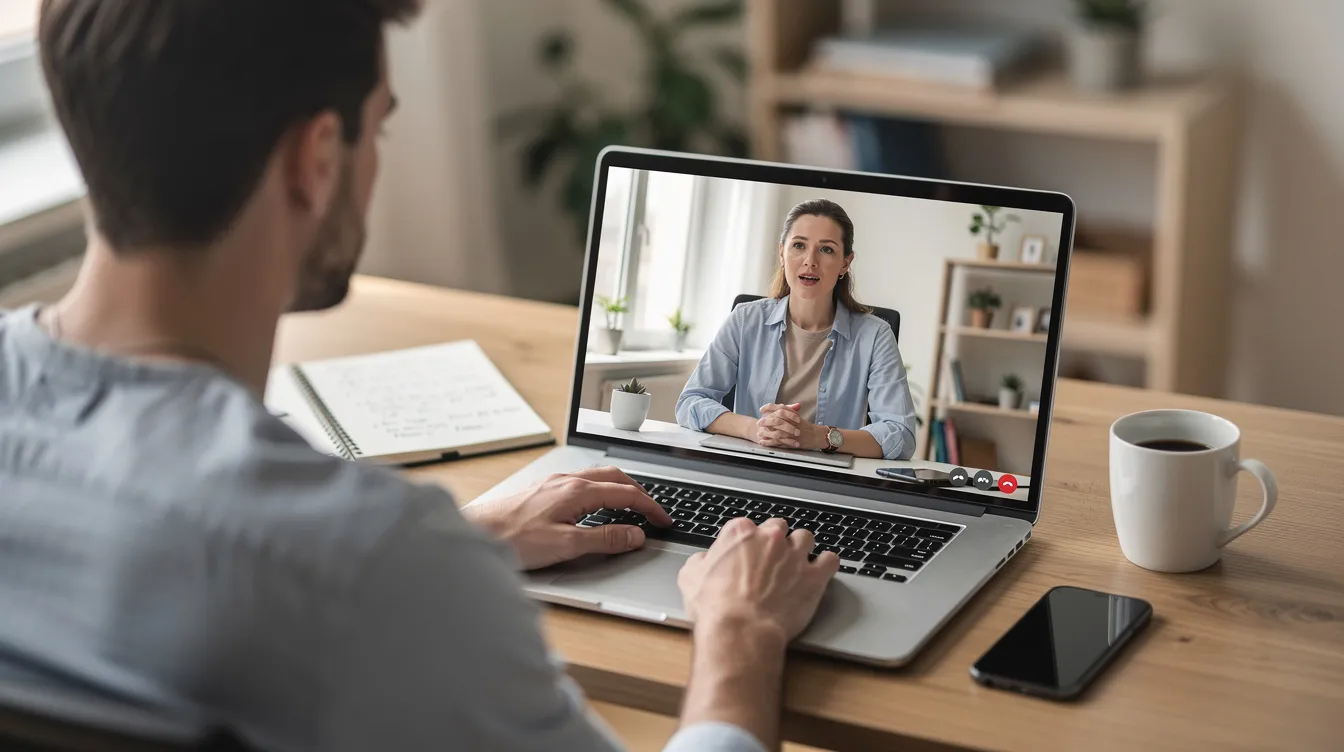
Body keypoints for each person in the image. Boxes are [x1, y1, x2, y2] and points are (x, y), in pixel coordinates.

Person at [0, 2, 840, 751]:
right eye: (383, 127)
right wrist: (738, 635)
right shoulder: (368, 565)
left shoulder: (363, 563)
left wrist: (457, 543)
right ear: (316, 159)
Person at [675, 199, 917, 461]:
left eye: (826, 249)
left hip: (828, 479)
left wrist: (819, 437)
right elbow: (691, 402)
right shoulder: (745, 319)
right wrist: (754, 429)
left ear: (845, 264)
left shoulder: (875, 335)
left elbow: (900, 435)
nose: (810, 261)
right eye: (799, 246)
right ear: (782, 253)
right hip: (751, 466)